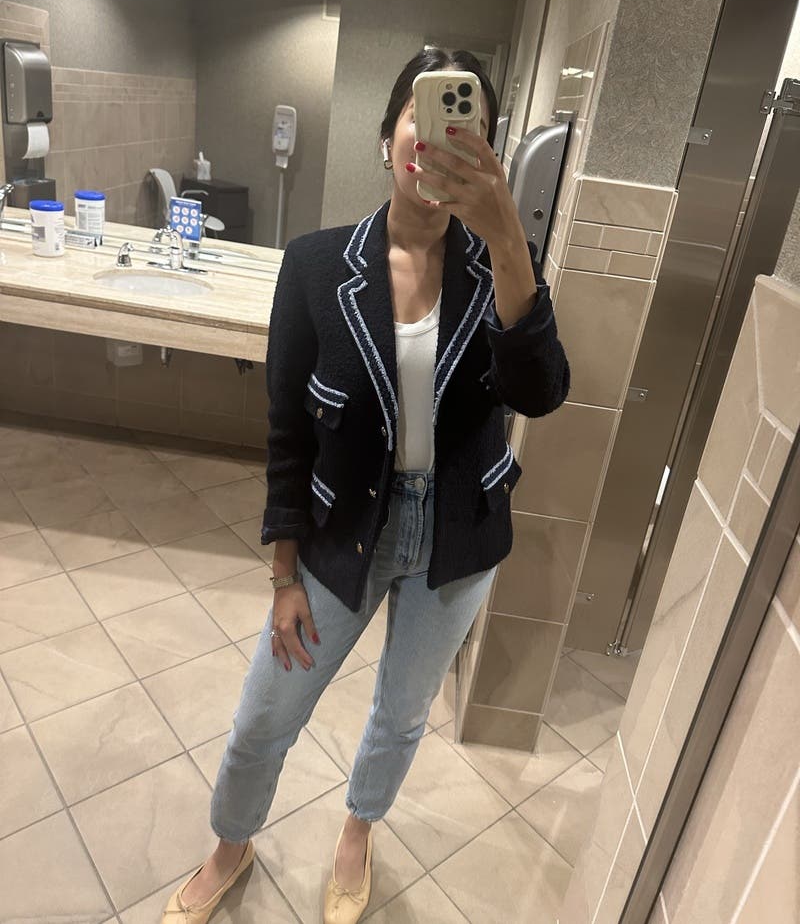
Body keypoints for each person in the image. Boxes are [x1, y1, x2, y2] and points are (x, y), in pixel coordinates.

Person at [160, 47, 570, 924]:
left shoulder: (504, 262)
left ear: (487, 147)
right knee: (265, 710)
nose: (440, 137)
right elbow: (286, 430)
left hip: (456, 535)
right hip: (342, 525)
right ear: (391, 137)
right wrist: (282, 573)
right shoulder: (315, 267)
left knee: (401, 713)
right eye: (424, 115)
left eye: (467, 123)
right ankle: (230, 844)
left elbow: (540, 392)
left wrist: (507, 239)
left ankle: (357, 833)